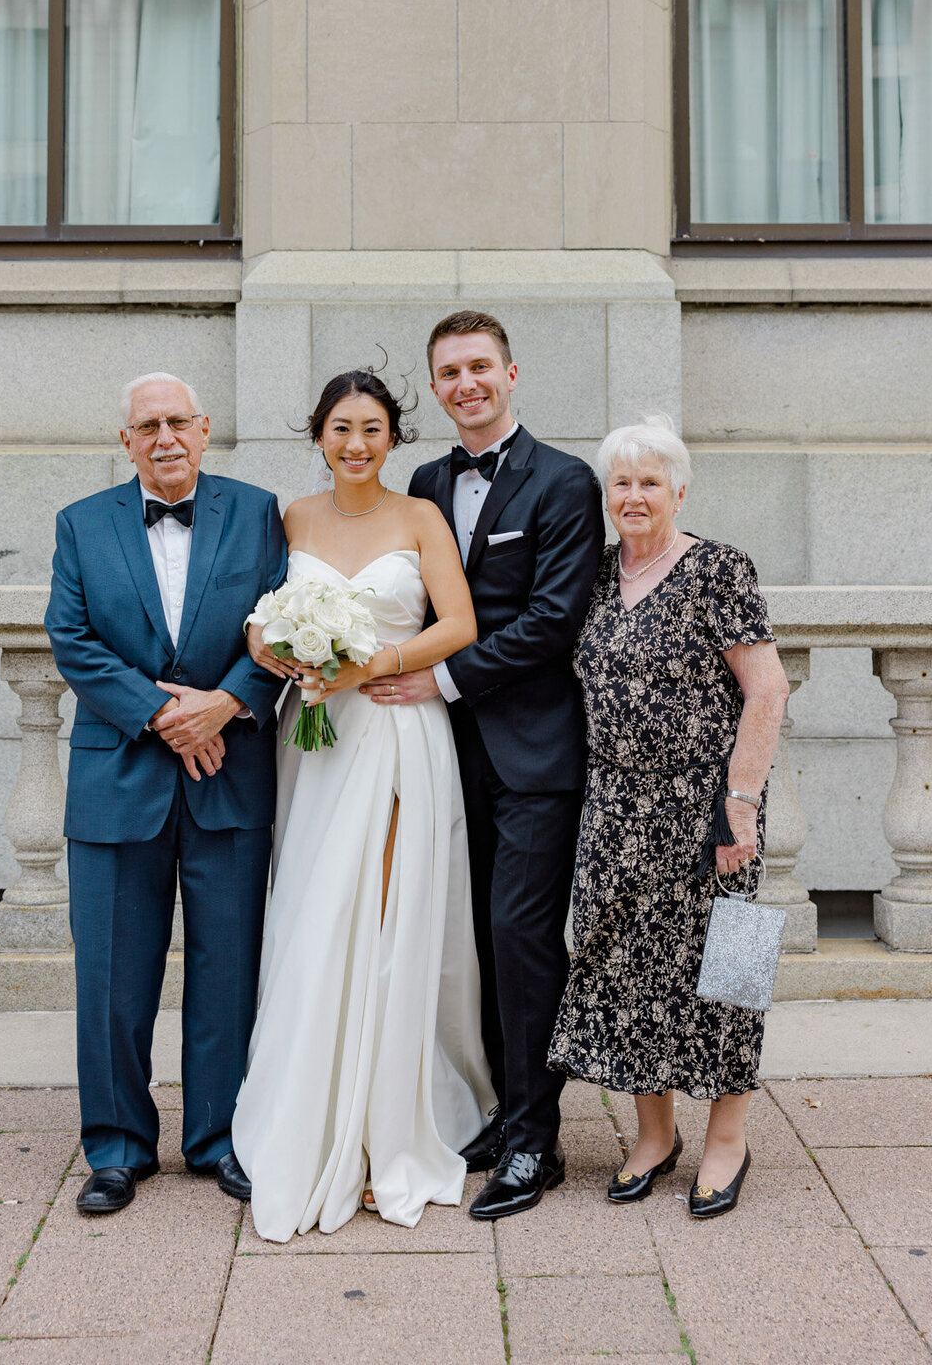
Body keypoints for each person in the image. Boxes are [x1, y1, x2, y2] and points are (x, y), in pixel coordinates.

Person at [234, 369, 494, 1240]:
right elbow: (256, 617)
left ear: (393, 437)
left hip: (390, 729)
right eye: (342, 427)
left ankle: (389, 1131)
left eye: (373, 428)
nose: (356, 443)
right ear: (319, 434)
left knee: (384, 914)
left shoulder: (419, 515)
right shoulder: (292, 518)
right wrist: (272, 643)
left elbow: (457, 623)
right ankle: (310, 1104)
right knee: (316, 912)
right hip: (312, 737)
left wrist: (372, 663)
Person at [367, 310, 605, 1220]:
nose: (466, 383)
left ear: (513, 373)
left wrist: (446, 681)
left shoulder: (564, 480)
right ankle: (509, 1110)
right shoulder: (427, 478)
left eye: (480, 367)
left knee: (521, 935)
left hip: (534, 751)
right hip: (438, 754)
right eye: (449, 373)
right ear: (435, 389)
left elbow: (553, 620)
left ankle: (537, 1141)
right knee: (471, 939)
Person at [45, 371, 286, 1216]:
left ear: (205, 426)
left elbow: (283, 624)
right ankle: (115, 1146)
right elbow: (71, 640)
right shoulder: (82, 525)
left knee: (228, 968)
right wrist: (164, 715)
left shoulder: (259, 513)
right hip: (118, 778)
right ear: (126, 443)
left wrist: (224, 702)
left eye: (177, 420)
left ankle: (219, 1138)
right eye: (146, 426)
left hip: (230, 772)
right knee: (112, 973)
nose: (164, 437)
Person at [548, 415, 789, 1219]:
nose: (635, 494)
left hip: (710, 804)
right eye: (621, 481)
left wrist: (742, 802)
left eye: (650, 480)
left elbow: (768, 688)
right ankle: (655, 1135)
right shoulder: (593, 577)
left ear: (679, 489)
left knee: (729, 969)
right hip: (617, 804)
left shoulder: (718, 568)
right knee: (625, 966)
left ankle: (728, 1137)